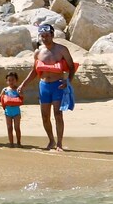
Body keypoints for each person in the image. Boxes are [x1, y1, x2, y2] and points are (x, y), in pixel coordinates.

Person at [18, 23, 76, 151]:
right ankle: (51, 141)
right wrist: (23, 85)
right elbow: (34, 71)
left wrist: (68, 81)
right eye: (42, 36)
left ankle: (59, 143)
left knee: (58, 114)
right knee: (45, 116)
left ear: (52, 35)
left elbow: (71, 67)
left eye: (47, 35)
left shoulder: (62, 49)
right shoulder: (38, 52)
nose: (45, 38)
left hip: (58, 85)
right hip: (44, 86)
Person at [0, 71, 23, 148]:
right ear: (6, 81)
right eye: (9, 80)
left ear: (16, 80)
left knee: (17, 128)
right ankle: (11, 143)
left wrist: (20, 94)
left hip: (16, 111)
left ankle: (19, 143)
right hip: (8, 111)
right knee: (9, 128)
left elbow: (22, 98)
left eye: (13, 80)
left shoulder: (18, 89)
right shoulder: (5, 90)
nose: (11, 82)